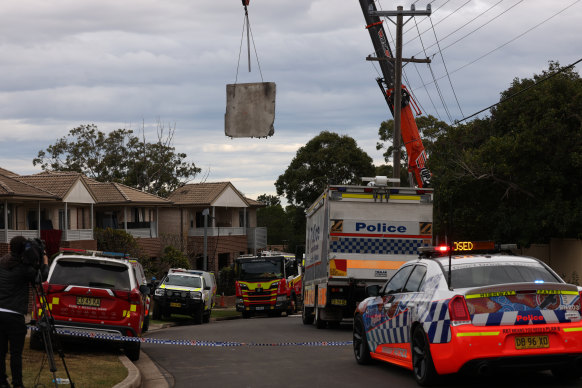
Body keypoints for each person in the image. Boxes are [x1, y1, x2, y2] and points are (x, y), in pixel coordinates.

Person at [0, 236, 49, 388]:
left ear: (9, 248)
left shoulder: (2, 263)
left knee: (1, 353)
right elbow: (41, 278)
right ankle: (17, 384)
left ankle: (2, 382)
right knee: (15, 353)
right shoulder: (24, 268)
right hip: (14, 315)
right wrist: (44, 261)